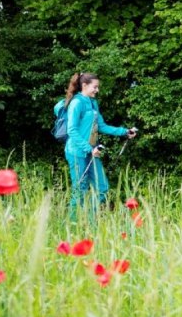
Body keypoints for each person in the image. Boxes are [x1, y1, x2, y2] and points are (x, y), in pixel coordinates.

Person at [58, 72, 137, 220]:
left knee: (102, 188)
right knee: (80, 190)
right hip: (77, 152)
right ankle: (71, 225)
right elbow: (72, 130)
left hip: (92, 152)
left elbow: (101, 126)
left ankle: (91, 222)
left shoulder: (93, 103)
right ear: (84, 85)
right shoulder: (77, 103)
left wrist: (124, 132)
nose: (97, 90)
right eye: (95, 87)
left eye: (98, 87)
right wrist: (89, 148)